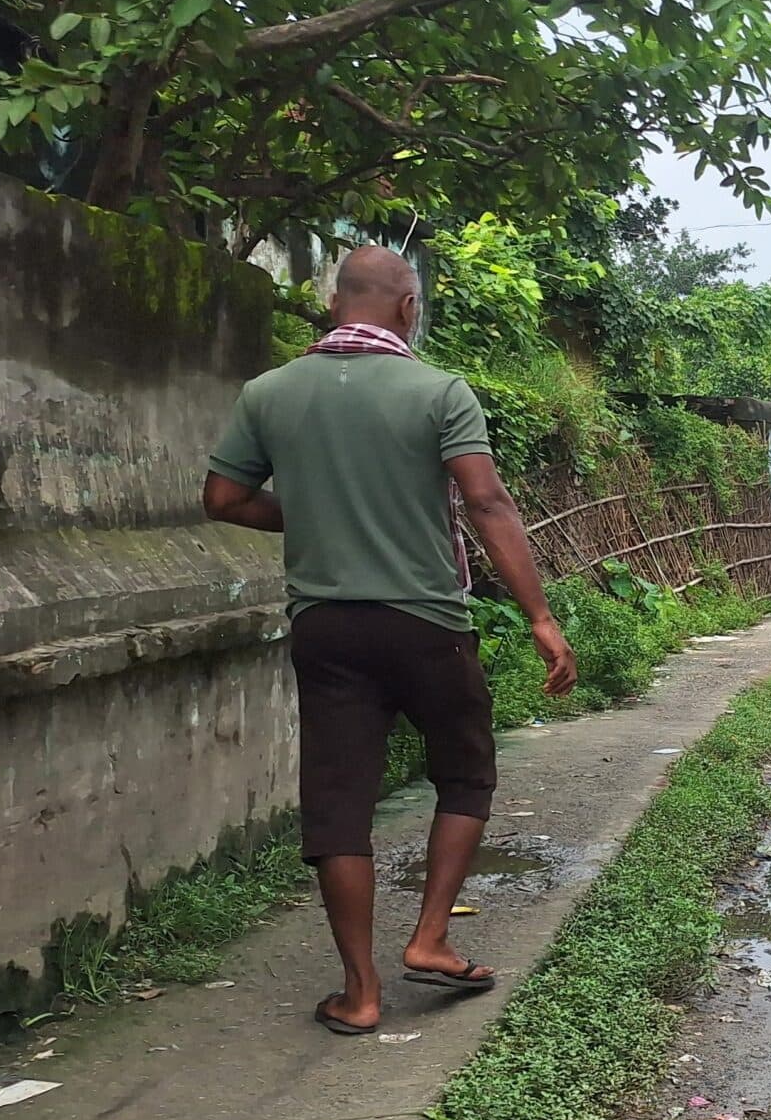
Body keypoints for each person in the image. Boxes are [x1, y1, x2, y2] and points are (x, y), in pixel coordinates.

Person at [203, 246, 576, 1038]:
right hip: (428, 624)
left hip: (326, 628)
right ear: (408, 308)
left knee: (339, 807)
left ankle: (361, 992)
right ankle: (431, 936)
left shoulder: (268, 393)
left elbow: (225, 498)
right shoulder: (438, 392)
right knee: (466, 775)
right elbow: (488, 502)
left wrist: (309, 512)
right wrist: (541, 617)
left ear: (336, 301)